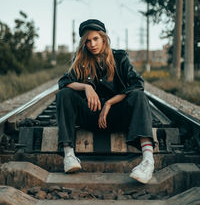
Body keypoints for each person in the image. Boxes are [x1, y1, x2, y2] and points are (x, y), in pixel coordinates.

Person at [56, 19, 155, 184]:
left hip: (115, 116)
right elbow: (63, 82)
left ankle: (147, 161)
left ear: (103, 38)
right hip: (90, 116)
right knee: (64, 94)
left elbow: (137, 84)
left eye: (95, 39)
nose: (92, 44)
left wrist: (109, 103)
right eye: (87, 41)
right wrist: (86, 88)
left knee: (139, 96)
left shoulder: (119, 57)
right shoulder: (80, 60)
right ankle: (69, 156)